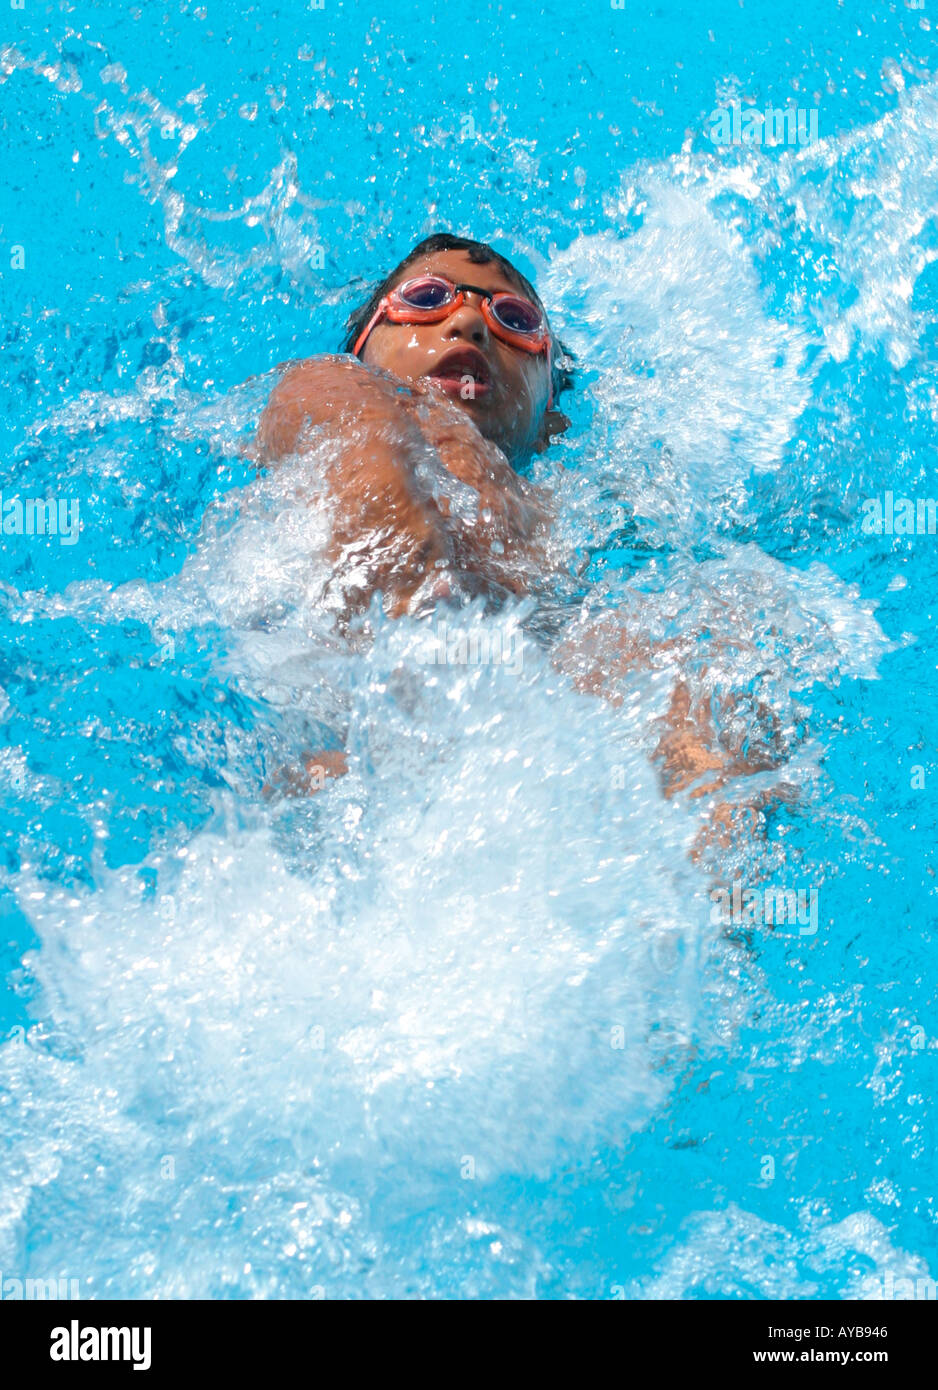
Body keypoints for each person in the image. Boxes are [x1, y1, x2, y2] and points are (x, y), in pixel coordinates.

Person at [255, 232, 785, 828]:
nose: (466, 322)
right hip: (365, 684)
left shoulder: (570, 502)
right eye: (426, 298)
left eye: (513, 319)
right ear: (363, 344)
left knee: (698, 679)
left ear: (549, 421)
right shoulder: (334, 383)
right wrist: (423, 622)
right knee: (321, 777)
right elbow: (357, 458)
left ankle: (721, 883)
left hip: (523, 702)